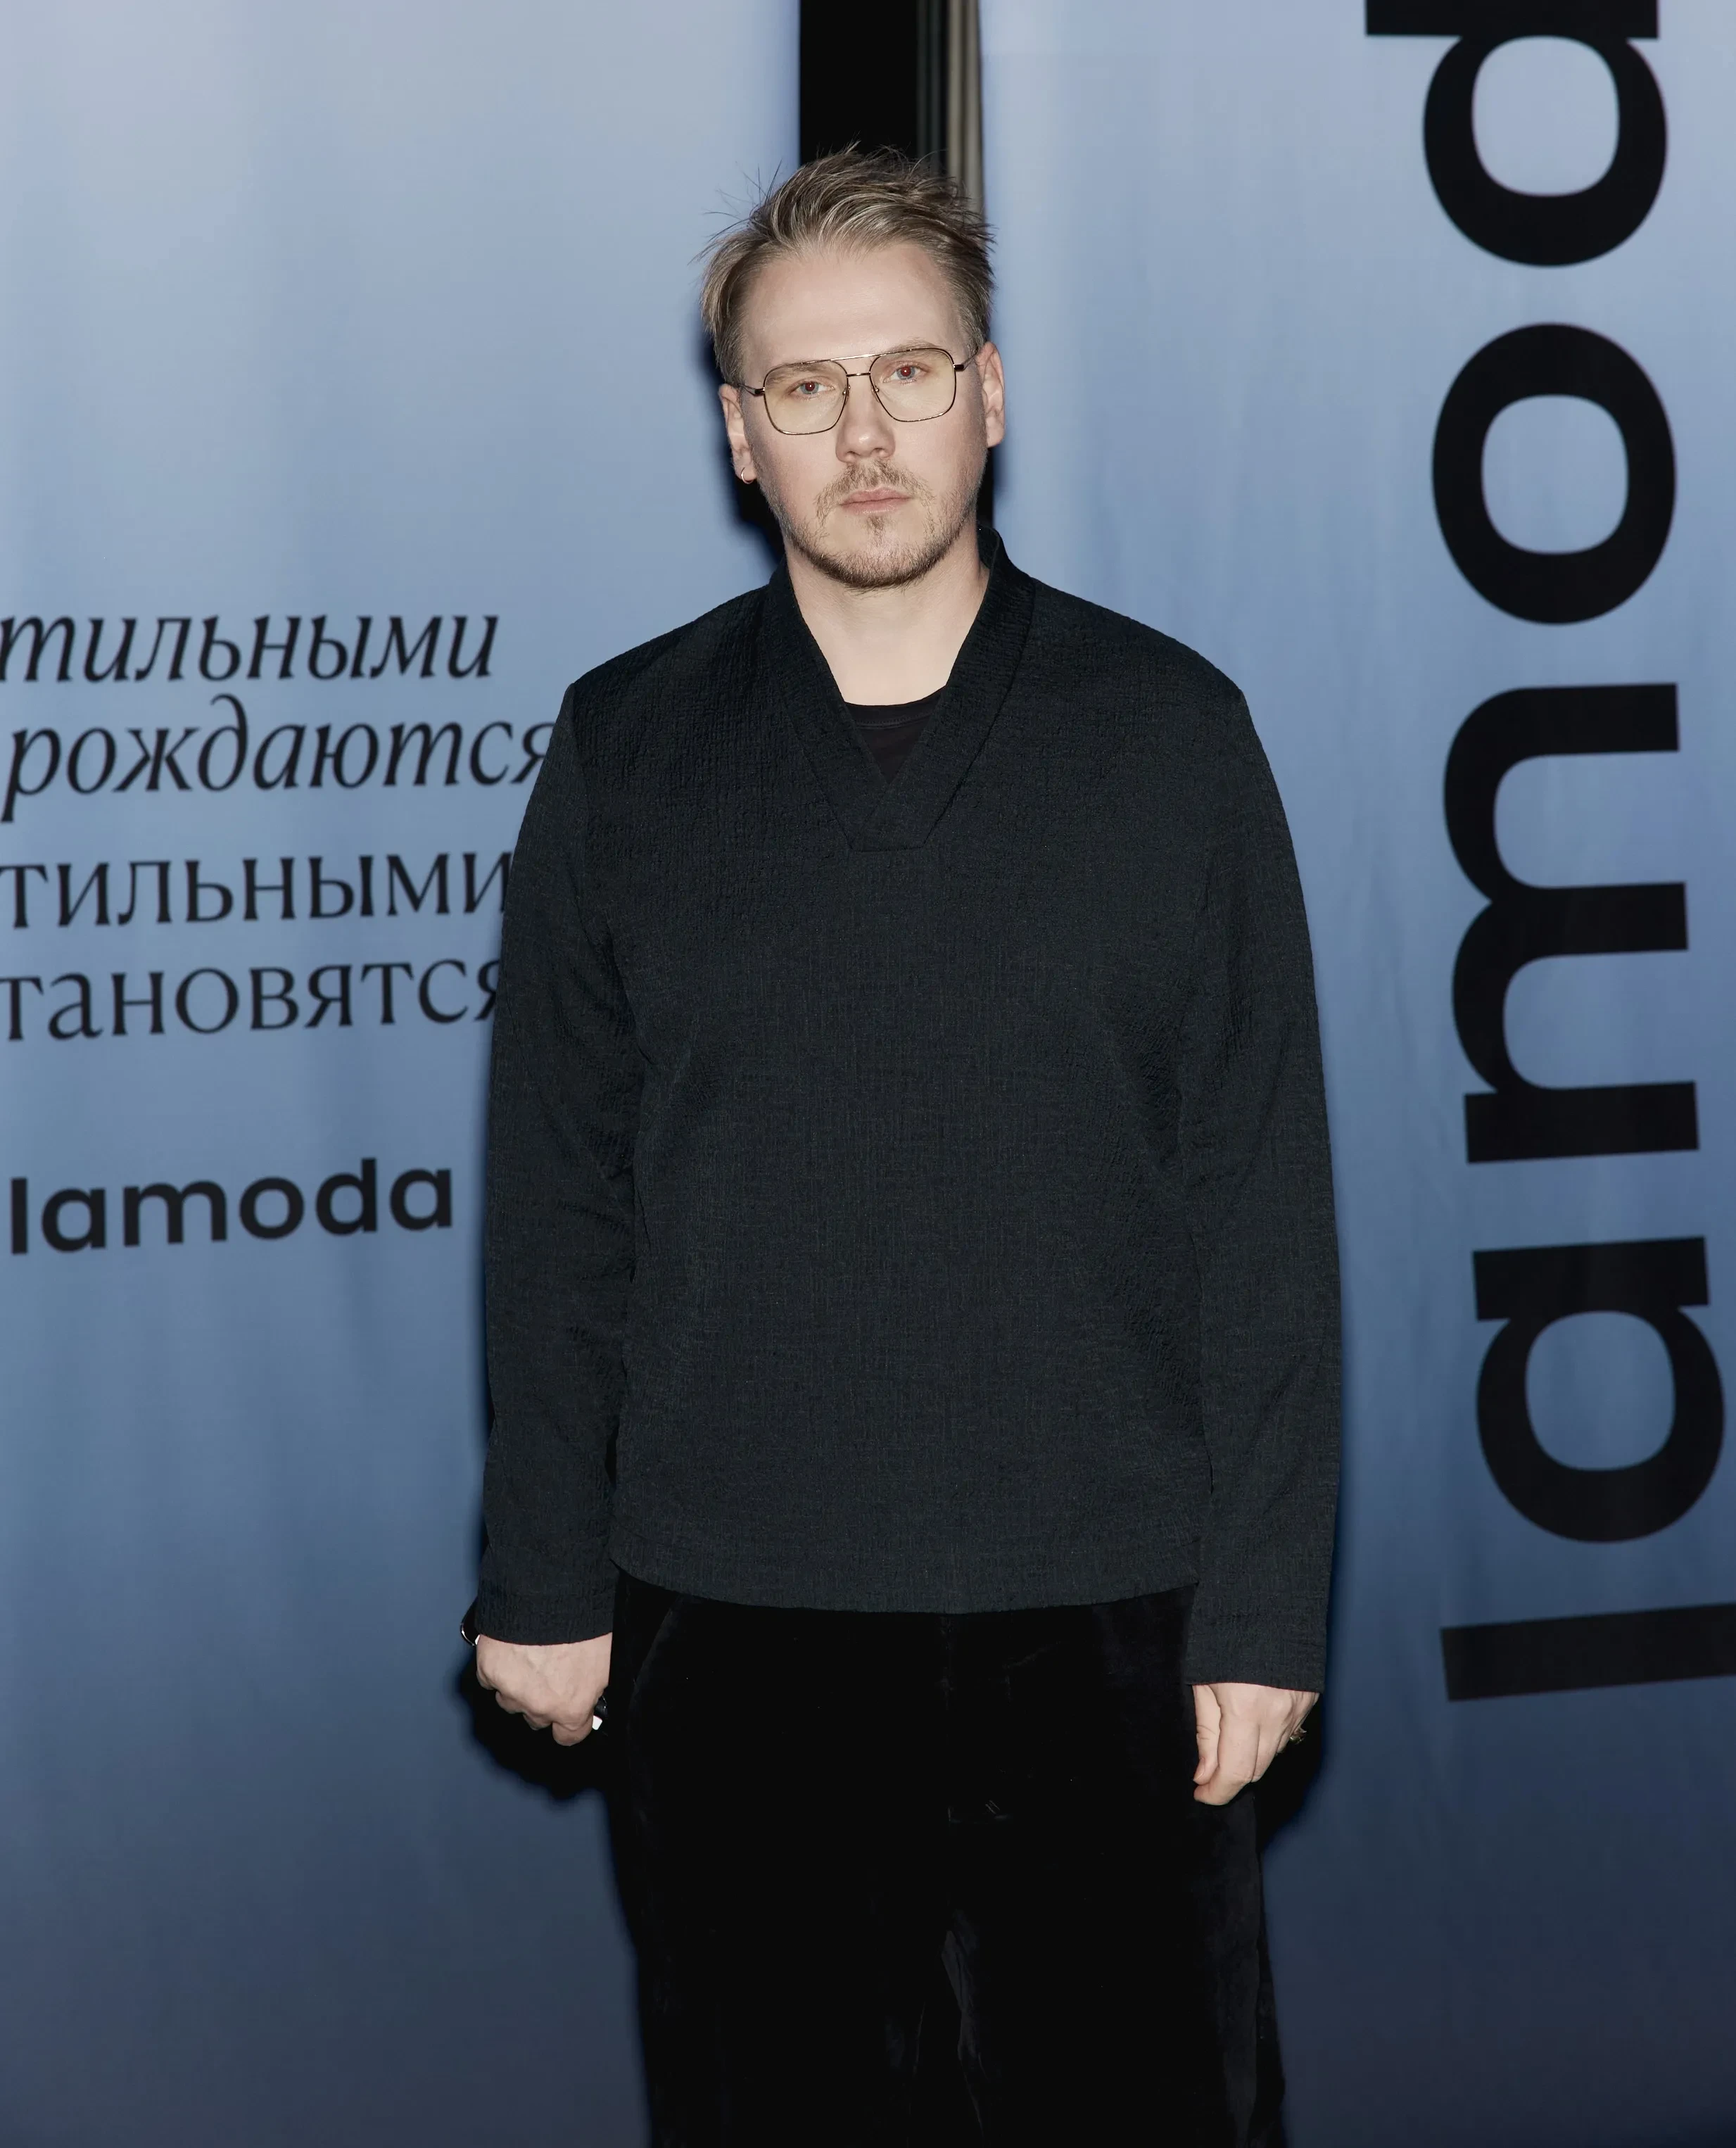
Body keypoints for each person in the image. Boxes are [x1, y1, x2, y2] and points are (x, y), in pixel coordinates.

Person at [467, 149, 1339, 2147]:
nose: (867, 435)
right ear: (740, 435)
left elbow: (1263, 1203)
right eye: (806, 388)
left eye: (912, 373)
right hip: (730, 1632)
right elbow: (563, 1198)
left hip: (1115, 1624)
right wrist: (542, 1567)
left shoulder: (1174, 736)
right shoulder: (626, 748)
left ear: (992, 394)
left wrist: (1264, 1608)